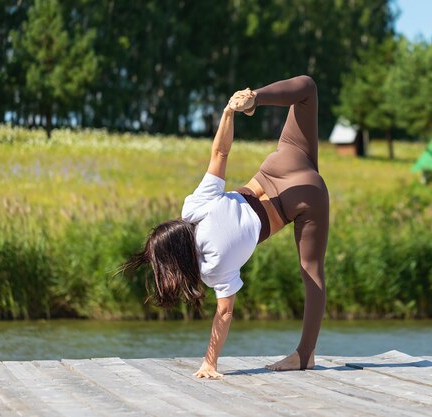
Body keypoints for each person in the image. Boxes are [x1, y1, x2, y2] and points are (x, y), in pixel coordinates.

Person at [120, 75, 329, 378]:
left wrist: (210, 361)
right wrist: (231, 111)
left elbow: (224, 312)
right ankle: (256, 96)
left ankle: (305, 355)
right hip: (284, 163)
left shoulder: (212, 268)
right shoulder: (193, 210)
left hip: (300, 202)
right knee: (308, 88)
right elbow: (220, 153)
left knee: (311, 270)